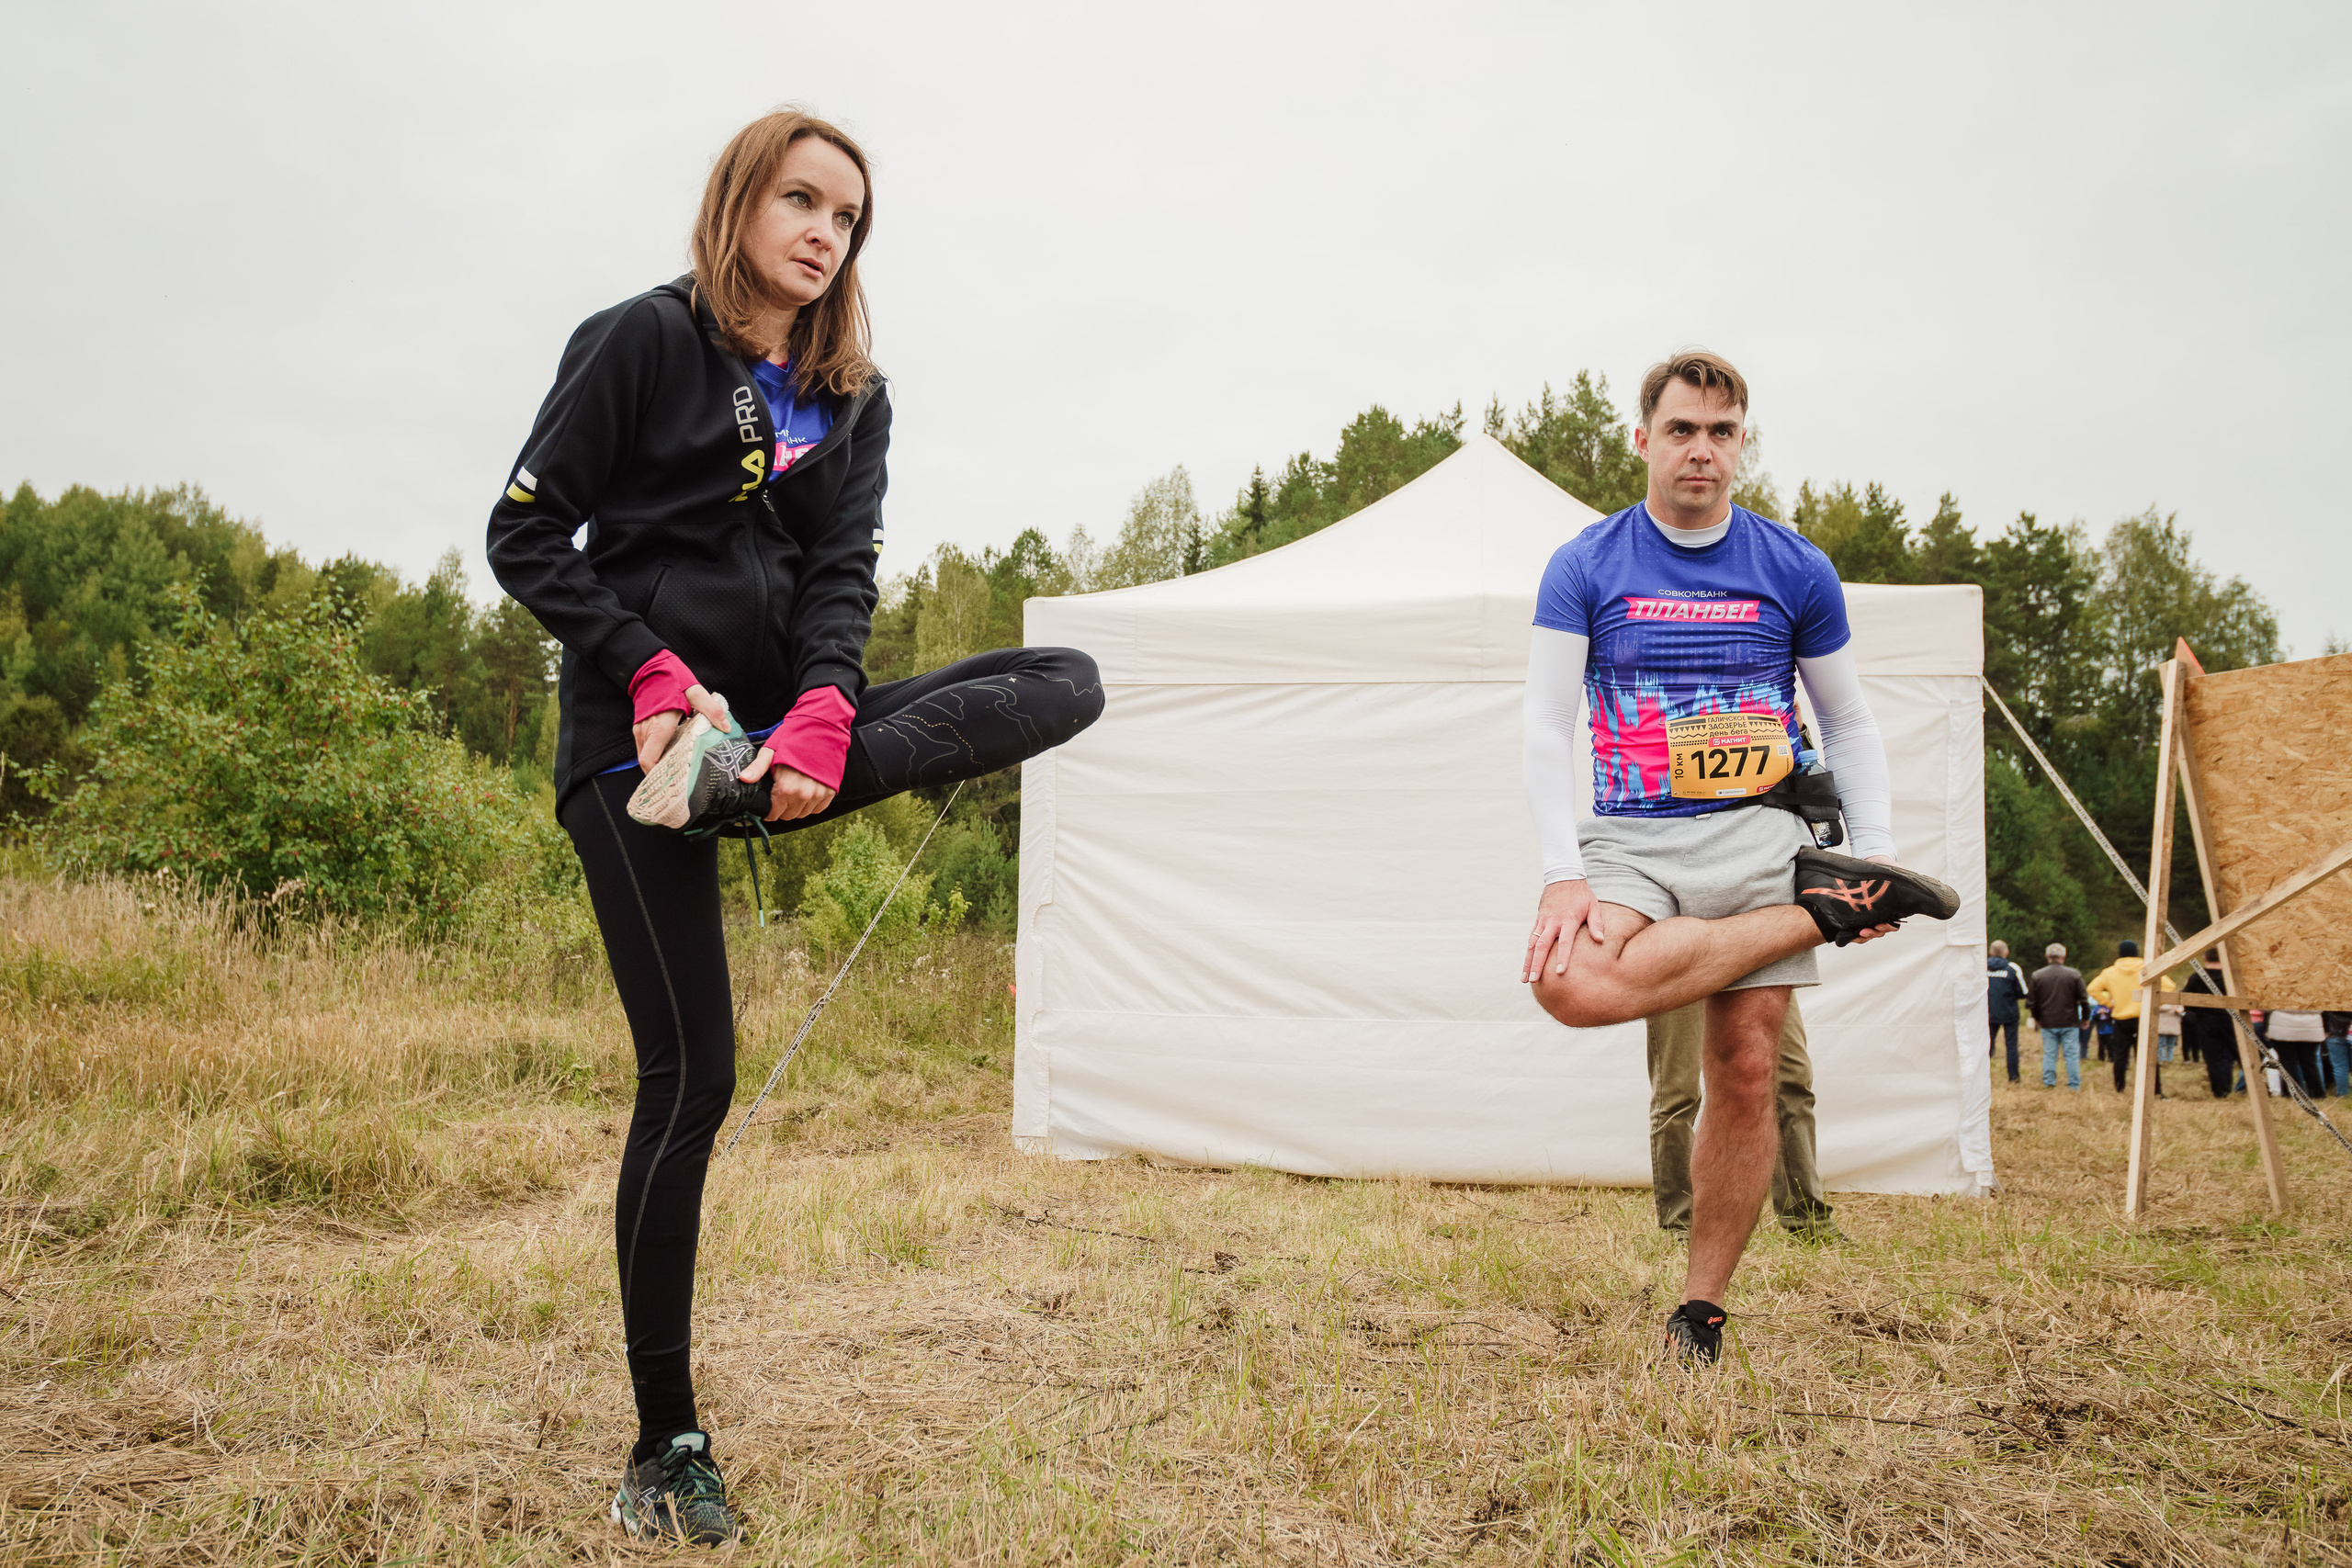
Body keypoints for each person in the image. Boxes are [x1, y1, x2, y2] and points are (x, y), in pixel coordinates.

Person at [485, 110, 1103, 1545]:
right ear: (742, 201)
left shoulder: (854, 394)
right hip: (639, 747)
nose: (825, 232)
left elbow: (842, 571)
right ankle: (663, 1440)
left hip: (778, 734)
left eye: (850, 217)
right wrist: (644, 666)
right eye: (803, 199)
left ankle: (765, 771)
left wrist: (829, 704)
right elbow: (523, 535)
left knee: (1065, 678)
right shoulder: (639, 342)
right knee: (693, 1074)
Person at [1520, 350, 1960, 1368]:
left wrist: (1874, 845)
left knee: (1747, 1066)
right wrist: (1560, 869)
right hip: (1630, 838)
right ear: (1642, 440)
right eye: (1680, 430)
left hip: (1763, 830)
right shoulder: (1585, 563)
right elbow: (1546, 722)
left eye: (1721, 433)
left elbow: (1846, 722)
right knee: (1568, 982)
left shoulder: (1792, 565)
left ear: (1742, 442)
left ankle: (1700, 1309)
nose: (1700, 452)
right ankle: (1828, 910)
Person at [1646, 998, 1837, 1239]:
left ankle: (1809, 1220)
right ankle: (1682, 1225)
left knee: (1791, 1081)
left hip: (1758, 962)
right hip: (1674, 962)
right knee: (1678, 1093)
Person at [2088, 941, 2174, 1097]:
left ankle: (2120, 1088)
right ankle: (2156, 1091)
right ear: (2136, 952)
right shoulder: (2147, 969)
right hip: (2143, 1017)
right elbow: (2169, 986)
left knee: (2120, 1056)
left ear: (2120, 953)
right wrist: (2152, 1001)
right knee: (2148, 1056)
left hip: (2121, 1019)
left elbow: (2092, 989)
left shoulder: (2109, 972)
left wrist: (2109, 1003)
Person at [2027, 943, 2088, 1090]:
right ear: (2063, 956)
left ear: (2047, 956)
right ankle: (2074, 1085)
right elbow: (2084, 1000)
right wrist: (2085, 1018)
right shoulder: (2074, 974)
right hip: (2070, 1022)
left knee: (2049, 1054)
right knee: (2072, 1054)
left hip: (2047, 1022)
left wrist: (2036, 1017)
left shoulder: (2037, 975)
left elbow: (2032, 1002)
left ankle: (2049, 1082)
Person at [2181, 954, 2239, 1099]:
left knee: (2212, 1058)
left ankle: (2218, 1091)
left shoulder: (2197, 977)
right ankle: (2228, 1086)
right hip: (2229, 1020)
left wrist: (2192, 1016)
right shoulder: (2230, 977)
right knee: (2229, 1055)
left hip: (2205, 1022)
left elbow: (2186, 999)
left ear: (2205, 958)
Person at [1986, 941, 2029, 1084]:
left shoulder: (1982, 966)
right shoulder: (2012, 968)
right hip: (2009, 1012)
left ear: (1991, 952)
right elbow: (2023, 992)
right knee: (2011, 1046)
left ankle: (1982, 1078)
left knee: (1985, 1045)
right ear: (2006, 952)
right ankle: (2014, 1077)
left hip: (1988, 1013)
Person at [2264, 1010, 2328, 1098]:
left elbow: (2267, 1007)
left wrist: (2266, 1028)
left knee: (2288, 1064)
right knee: (2309, 1063)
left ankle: (2293, 1094)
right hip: (2311, 1026)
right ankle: (2317, 1094)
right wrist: (2326, 1028)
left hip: (2282, 1026)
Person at [2324, 1010, 2351, 1098]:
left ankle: (2343, 1094)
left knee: (2340, 1066)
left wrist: (2326, 1030)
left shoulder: (2333, 1000)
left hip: (2334, 1033)